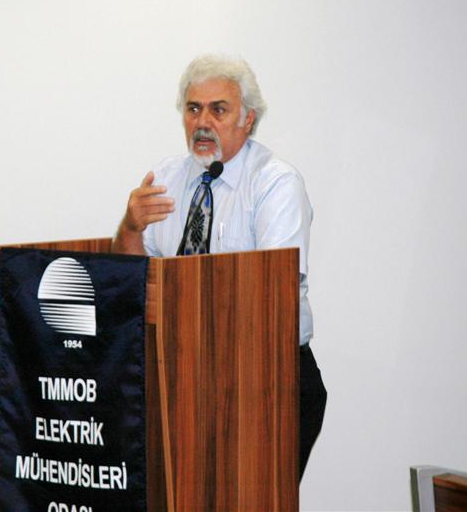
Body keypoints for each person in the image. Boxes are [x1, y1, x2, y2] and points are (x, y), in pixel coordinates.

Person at [113, 53, 327, 478]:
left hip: (265, 379)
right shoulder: (165, 179)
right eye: (193, 109)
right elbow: (129, 284)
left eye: (218, 110)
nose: (203, 122)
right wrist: (130, 228)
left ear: (248, 119)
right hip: (181, 376)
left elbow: (272, 292)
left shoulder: (274, 183)